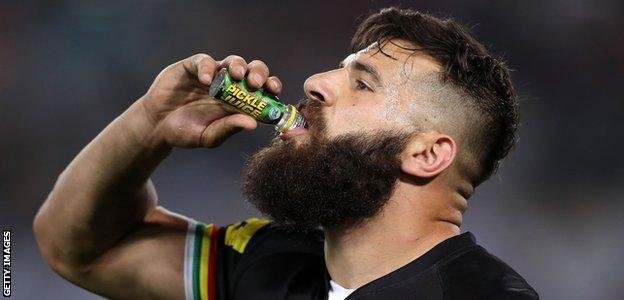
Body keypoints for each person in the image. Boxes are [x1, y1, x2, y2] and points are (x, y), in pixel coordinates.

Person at [33, 7, 538, 300]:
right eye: (336, 69)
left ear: (427, 154)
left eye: (362, 84)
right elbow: (78, 249)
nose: (314, 82)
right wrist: (148, 124)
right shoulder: (270, 263)